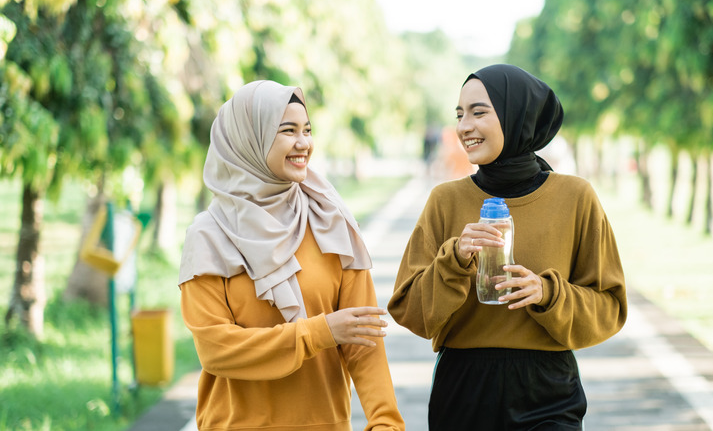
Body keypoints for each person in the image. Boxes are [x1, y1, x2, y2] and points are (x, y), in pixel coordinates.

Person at [387, 64, 627, 430]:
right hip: (464, 391)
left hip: (548, 393)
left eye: (479, 112)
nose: (464, 126)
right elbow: (408, 310)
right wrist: (453, 261)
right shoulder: (445, 200)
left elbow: (610, 306)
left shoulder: (575, 197)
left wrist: (548, 293)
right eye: (459, 114)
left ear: (518, 117)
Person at [178, 80, 404, 431]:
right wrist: (318, 333)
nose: (304, 143)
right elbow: (216, 349)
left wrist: (385, 420)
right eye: (288, 131)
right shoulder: (209, 235)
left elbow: (364, 339)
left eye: (307, 130)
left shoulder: (330, 221)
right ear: (248, 139)